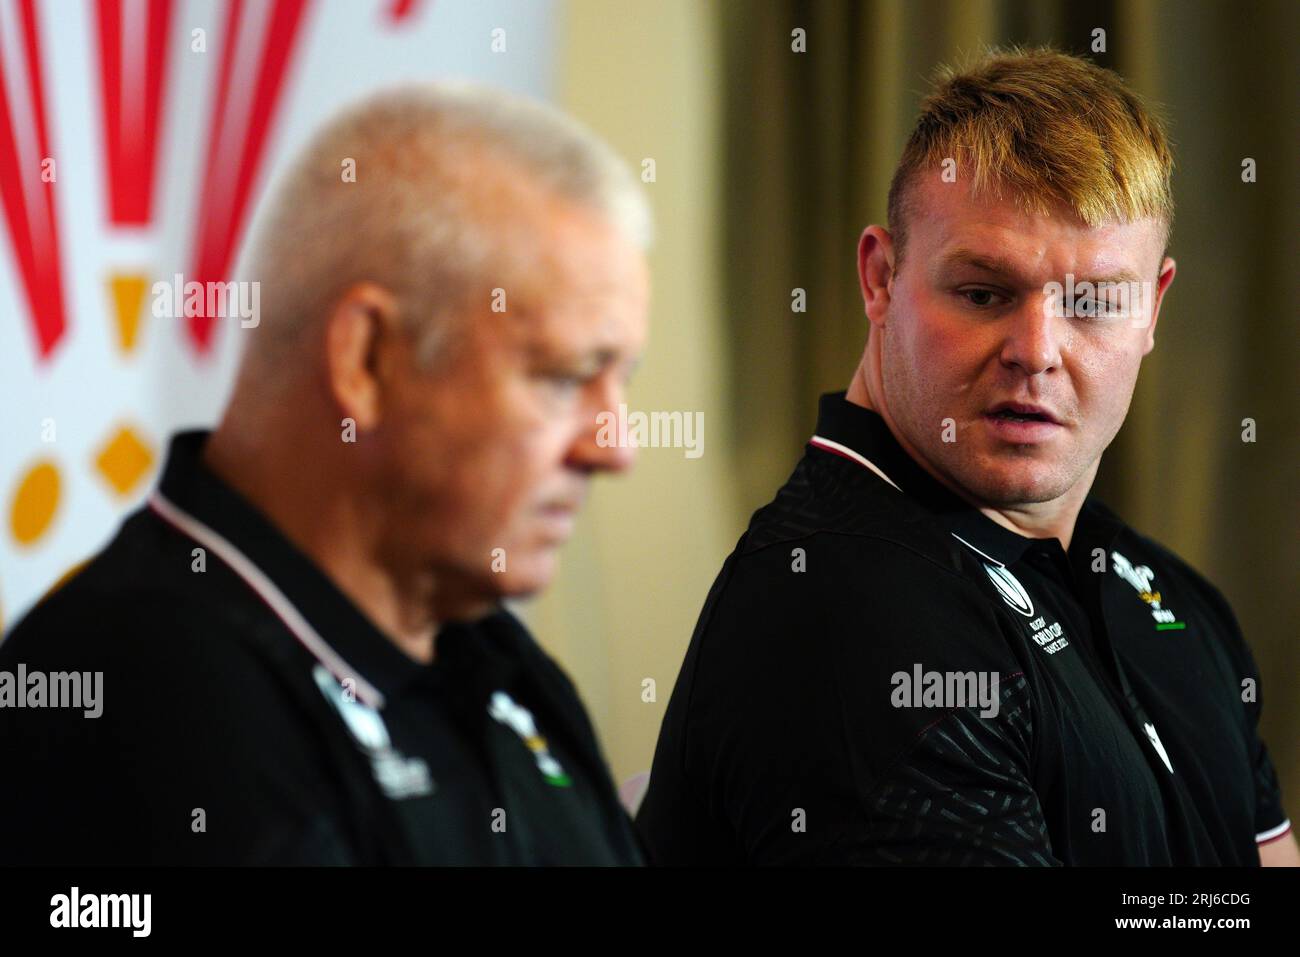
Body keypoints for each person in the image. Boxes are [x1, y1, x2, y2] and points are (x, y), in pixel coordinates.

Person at [636, 47, 1296, 866]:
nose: (1037, 350)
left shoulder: (1173, 598)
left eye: (1093, 303)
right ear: (880, 278)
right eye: (984, 294)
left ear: (1153, 307)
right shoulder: (843, 608)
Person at [0, 83, 651, 865]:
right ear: (366, 361)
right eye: (564, 377)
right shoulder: (129, 702)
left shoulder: (505, 665)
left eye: (623, 380)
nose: (615, 447)